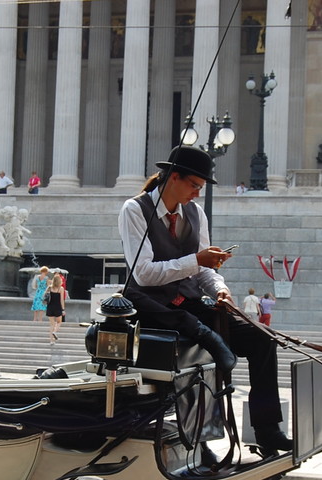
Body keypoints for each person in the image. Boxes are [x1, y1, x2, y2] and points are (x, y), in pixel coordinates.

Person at [118, 145, 292, 456]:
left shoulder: (195, 214)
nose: (197, 195)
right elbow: (143, 274)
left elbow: (204, 271)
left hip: (189, 302)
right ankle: (198, 438)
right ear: (173, 178)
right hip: (152, 305)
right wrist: (196, 259)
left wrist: (219, 289)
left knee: (262, 340)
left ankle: (267, 429)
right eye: (194, 186)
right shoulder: (135, 210)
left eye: (200, 188)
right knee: (193, 346)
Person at [45, 273, 65, 343]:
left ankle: (51, 341)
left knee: (52, 324)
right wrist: (63, 309)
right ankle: (55, 332)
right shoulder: (61, 289)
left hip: (50, 307)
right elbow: (61, 300)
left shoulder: (50, 287)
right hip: (57, 307)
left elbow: (45, 296)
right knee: (59, 322)